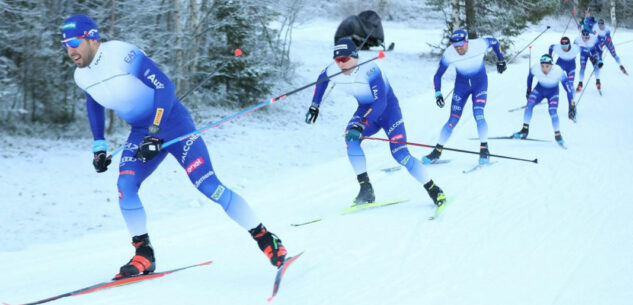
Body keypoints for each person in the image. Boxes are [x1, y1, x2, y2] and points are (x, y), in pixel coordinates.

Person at [61, 14, 287, 278]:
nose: (70, 49)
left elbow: (164, 86)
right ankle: (144, 253)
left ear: (91, 38)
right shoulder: (81, 76)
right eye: (65, 43)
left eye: (74, 41)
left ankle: (266, 239)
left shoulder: (121, 54)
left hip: (172, 123)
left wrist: (156, 131)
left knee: (208, 185)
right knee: (125, 186)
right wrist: (99, 144)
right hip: (142, 133)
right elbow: (94, 103)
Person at [305, 38, 447, 208]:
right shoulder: (334, 69)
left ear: (355, 56)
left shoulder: (370, 70)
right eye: (337, 60)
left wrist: (361, 125)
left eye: (344, 60)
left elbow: (380, 102)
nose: (341, 65)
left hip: (388, 111)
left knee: (400, 154)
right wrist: (315, 105)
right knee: (351, 140)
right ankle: (366, 189)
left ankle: (433, 189)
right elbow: (321, 80)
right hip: (365, 109)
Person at [423, 29, 506, 165]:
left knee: (478, 114)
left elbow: (495, 42)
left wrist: (501, 59)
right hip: (461, 87)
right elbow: (437, 76)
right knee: (452, 120)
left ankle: (484, 149)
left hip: (479, 84)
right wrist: (438, 93)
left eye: (461, 45)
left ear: (467, 41)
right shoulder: (449, 53)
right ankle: (437, 152)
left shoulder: (479, 44)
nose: (458, 49)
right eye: (455, 46)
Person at [512, 54, 575, 147]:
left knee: (553, 111)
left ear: (552, 65)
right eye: (542, 66)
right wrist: (528, 90)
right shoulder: (535, 68)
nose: (544, 69)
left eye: (547, 66)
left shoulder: (558, 71)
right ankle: (525, 130)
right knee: (528, 105)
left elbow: (568, 89)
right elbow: (529, 77)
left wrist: (572, 105)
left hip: (553, 93)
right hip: (539, 90)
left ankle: (557, 135)